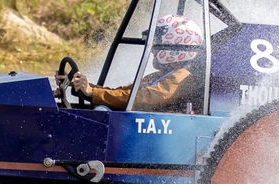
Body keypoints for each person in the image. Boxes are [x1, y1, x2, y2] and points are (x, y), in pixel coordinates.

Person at [70, 14, 204, 113]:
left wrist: (92, 92)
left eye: (156, 44)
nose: (152, 49)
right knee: (101, 110)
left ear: (175, 47)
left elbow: (142, 97)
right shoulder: (158, 76)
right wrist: (82, 86)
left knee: (102, 112)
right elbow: (123, 92)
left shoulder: (184, 78)